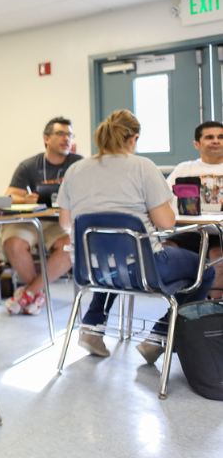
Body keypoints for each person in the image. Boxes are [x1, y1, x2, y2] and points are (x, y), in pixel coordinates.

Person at [57, 110, 212, 363]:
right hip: (141, 268)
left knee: (115, 266)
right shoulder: (143, 166)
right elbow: (166, 222)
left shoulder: (75, 169)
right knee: (205, 271)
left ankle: (91, 326)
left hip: (89, 269)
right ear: (133, 138)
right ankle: (158, 337)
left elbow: (65, 223)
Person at [2, 117, 83, 315]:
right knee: (12, 243)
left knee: (70, 246)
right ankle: (37, 294)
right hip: (31, 221)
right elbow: (10, 195)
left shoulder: (79, 164)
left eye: (70, 135)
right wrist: (26, 199)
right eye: (61, 134)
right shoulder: (29, 165)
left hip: (61, 223)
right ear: (46, 138)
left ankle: (30, 293)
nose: (67, 139)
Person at [164, 121, 223, 299]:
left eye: (220, 137)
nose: (216, 141)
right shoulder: (184, 169)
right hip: (190, 230)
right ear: (197, 144)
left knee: (218, 259)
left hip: (220, 232)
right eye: (209, 137)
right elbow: (164, 200)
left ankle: (211, 308)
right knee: (165, 251)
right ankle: (181, 306)